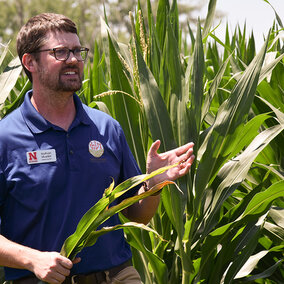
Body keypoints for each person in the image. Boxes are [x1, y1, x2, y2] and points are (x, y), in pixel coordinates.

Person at [0, 13, 195, 284]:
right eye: (60, 52)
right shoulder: (6, 138)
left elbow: (138, 216)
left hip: (117, 275)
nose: (74, 60)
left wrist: (154, 184)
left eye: (77, 51)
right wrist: (32, 259)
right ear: (29, 61)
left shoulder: (106, 128)